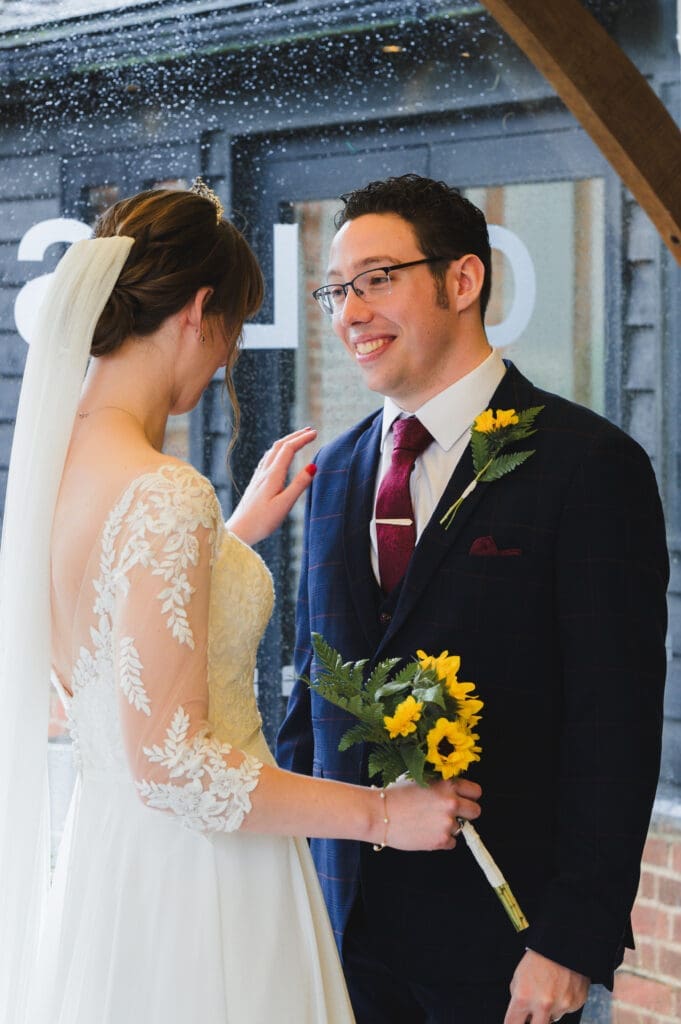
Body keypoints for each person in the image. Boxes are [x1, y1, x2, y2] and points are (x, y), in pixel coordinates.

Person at [0, 183, 483, 1024]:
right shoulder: (162, 492)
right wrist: (382, 814)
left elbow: (115, 634)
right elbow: (178, 769)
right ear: (197, 312)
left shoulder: (57, 464)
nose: (225, 359)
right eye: (230, 329)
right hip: (206, 885)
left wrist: (229, 541)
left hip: (112, 873)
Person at [277, 173, 669, 1024]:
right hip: (344, 937)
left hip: (511, 949)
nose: (349, 311)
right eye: (336, 289)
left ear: (463, 280)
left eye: (376, 279)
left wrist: (571, 938)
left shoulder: (587, 465)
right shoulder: (336, 470)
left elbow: (616, 719)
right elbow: (316, 695)